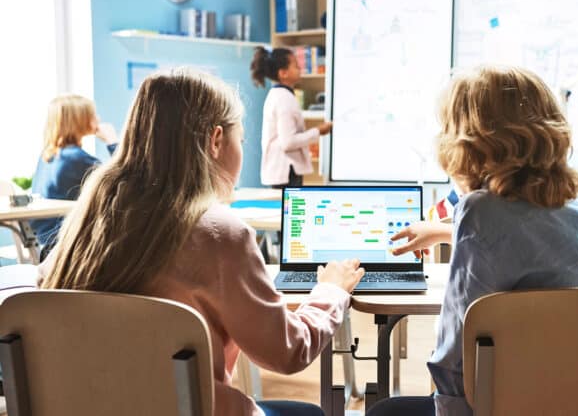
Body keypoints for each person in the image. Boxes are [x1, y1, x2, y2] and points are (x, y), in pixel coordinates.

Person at [39, 69, 365, 416]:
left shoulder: (88, 217)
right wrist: (331, 291)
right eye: (241, 140)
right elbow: (287, 352)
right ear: (216, 140)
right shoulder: (221, 234)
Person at [379, 66, 578, 416]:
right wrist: (443, 230)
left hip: (516, 403)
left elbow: (454, 357)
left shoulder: (479, 211)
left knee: (384, 412)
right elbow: (527, 236)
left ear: (465, 141)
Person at [30, 94, 118, 259]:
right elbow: (123, 181)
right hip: (63, 244)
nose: (98, 118)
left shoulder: (49, 155)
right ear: (80, 119)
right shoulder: (76, 158)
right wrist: (112, 141)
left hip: (43, 240)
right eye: (93, 114)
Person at [251, 46, 331, 187]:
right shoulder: (284, 98)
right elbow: (288, 142)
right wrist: (319, 131)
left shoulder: (278, 95)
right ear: (283, 73)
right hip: (287, 171)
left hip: (283, 171)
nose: (300, 68)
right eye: (295, 65)